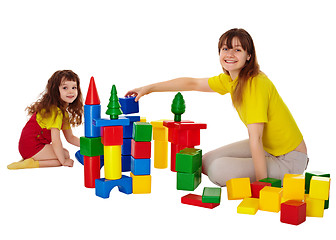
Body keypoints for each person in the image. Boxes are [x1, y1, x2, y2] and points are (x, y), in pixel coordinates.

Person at [125, 28, 308, 186]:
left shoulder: (255, 84)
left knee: (217, 170)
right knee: (204, 161)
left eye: (238, 50)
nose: (230, 54)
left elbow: (256, 138)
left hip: (289, 158)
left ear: (249, 56)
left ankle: (273, 174)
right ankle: (259, 167)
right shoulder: (231, 80)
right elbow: (192, 84)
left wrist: (262, 187)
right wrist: (149, 89)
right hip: (269, 147)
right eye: (225, 48)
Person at [8, 70, 84, 169]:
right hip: (30, 146)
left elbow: (70, 138)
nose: (71, 91)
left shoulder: (62, 112)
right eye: (65, 88)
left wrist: (90, 145)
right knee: (64, 156)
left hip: (32, 145)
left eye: (74, 87)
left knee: (64, 153)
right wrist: (63, 161)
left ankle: (31, 159)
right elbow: (56, 140)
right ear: (55, 91)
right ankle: (31, 163)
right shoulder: (54, 111)